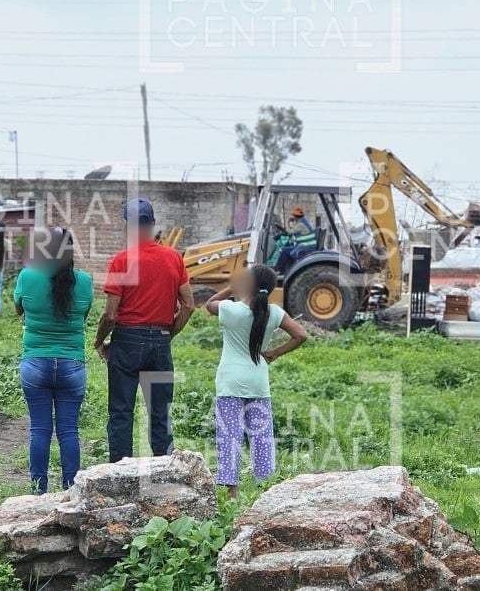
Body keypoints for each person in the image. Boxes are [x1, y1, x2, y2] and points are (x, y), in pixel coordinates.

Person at [95, 198, 194, 463]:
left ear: (128, 225)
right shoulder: (174, 258)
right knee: (160, 413)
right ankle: (164, 470)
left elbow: (111, 314)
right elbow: (189, 305)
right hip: (160, 341)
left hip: (126, 340)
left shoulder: (120, 261)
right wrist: (167, 334)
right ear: (151, 224)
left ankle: (119, 473)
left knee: (121, 412)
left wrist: (100, 340)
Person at [204, 264, 308, 497]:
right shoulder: (275, 313)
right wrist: (274, 353)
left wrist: (231, 288)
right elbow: (301, 335)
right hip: (258, 382)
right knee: (261, 438)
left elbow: (209, 305)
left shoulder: (232, 310)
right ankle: (265, 489)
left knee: (229, 438)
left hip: (230, 383)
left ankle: (232, 495)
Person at [14, 227, 93, 493]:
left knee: (40, 430)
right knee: (69, 432)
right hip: (72, 365)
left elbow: (19, 308)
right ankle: (71, 490)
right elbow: (83, 316)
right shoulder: (83, 281)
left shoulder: (27, 276)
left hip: (35, 363)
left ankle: (38, 491)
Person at [274, 207, 318, 274]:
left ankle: (292, 272)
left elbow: (289, 231)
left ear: (296, 217)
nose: (292, 217)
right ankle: (277, 269)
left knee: (292, 254)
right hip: (304, 244)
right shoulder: (301, 222)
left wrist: (288, 222)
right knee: (284, 250)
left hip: (308, 245)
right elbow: (294, 231)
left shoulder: (301, 225)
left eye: (293, 215)